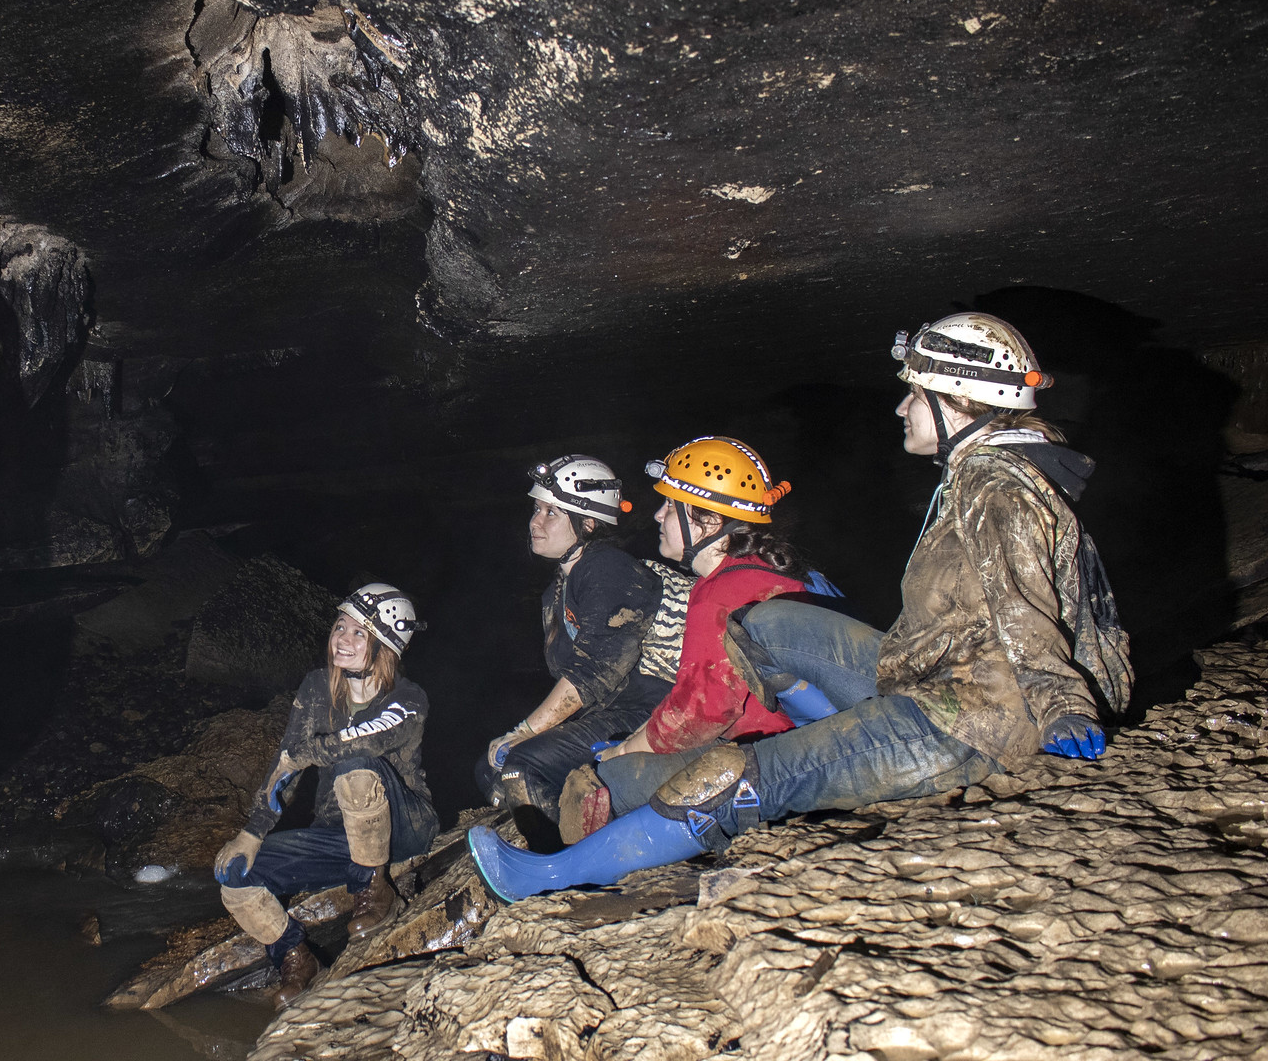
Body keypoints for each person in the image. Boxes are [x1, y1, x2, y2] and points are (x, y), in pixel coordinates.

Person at [468, 312, 1131, 900]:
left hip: (976, 716)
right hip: (942, 678)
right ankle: (839, 749)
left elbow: (1025, 609)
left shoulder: (997, 490)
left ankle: (552, 876)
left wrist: (1061, 704)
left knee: (734, 774)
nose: (902, 408)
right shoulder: (977, 478)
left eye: (914, 393)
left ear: (959, 398)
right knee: (768, 628)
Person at [552, 437, 816, 838]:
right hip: (797, 744)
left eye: (670, 507)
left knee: (603, 782)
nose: (657, 516)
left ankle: (565, 878)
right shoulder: (768, 570)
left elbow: (701, 713)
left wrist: (623, 752)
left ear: (708, 522)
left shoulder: (717, 592)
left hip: (766, 755)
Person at [212, 583, 440, 1007]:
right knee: (233, 870)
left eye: (359, 633)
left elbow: (363, 743)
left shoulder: (409, 698)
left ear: (385, 645)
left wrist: (303, 755)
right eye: (340, 627)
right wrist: (253, 831)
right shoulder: (317, 688)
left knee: (356, 768)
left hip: (405, 827)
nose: (343, 639)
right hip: (338, 834)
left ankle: (373, 892)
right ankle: (295, 957)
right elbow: (286, 761)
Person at [473, 455, 685, 849]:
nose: (535, 522)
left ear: (587, 523)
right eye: (537, 508)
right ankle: (567, 819)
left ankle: (571, 860)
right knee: (490, 768)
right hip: (614, 709)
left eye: (552, 513)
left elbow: (595, 672)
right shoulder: (557, 590)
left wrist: (525, 732)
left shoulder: (608, 568)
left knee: (522, 765)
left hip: (654, 705)